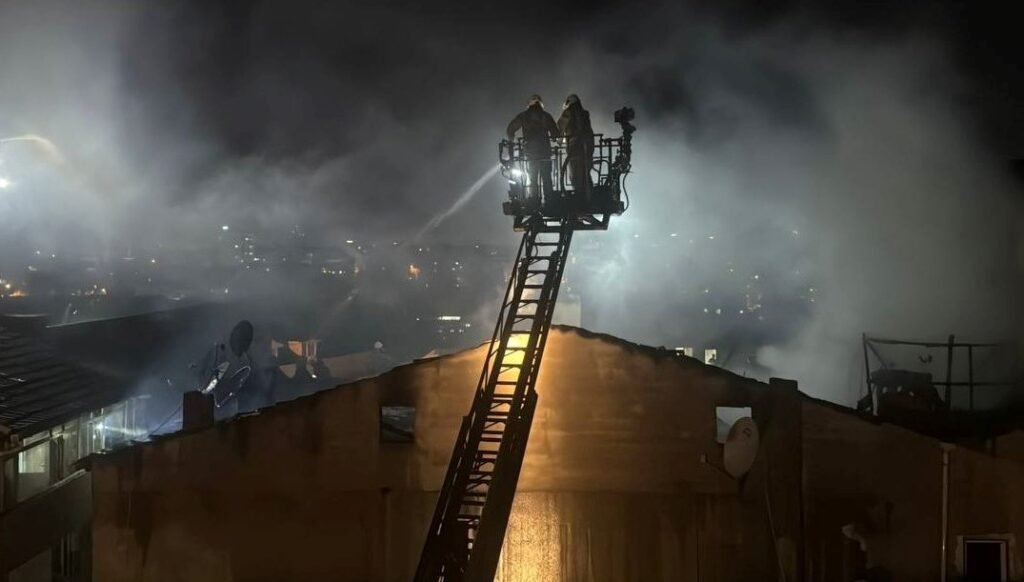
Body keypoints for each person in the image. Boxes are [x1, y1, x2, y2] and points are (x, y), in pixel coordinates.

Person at [506, 94, 560, 203]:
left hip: (531, 154)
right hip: (545, 153)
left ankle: (534, 201)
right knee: (547, 178)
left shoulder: (524, 116)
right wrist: (556, 139)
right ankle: (549, 200)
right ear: (540, 104)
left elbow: (511, 128)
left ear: (529, 104)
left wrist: (511, 139)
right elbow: (555, 134)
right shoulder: (546, 116)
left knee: (533, 178)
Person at [557, 94, 594, 203]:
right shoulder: (585, 113)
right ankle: (589, 197)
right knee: (586, 173)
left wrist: (559, 140)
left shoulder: (567, 113)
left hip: (574, 148)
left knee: (574, 174)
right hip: (587, 147)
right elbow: (589, 132)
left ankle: (579, 198)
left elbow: (560, 128)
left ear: (568, 103)